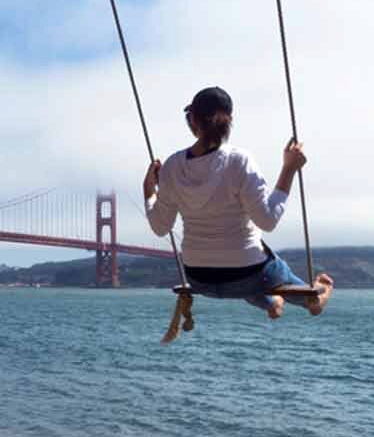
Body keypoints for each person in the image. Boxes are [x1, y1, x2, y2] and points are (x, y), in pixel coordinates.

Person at [142, 86, 333, 318]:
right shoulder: (239, 160)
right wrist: (289, 168)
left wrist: (148, 190)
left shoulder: (172, 166)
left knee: (240, 271)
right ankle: (318, 298)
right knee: (259, 271)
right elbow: (268, 220)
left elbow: (160, 227)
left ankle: (272, 304)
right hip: (248, 274)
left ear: (192, 119)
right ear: (229, 121)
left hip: (198, 278)